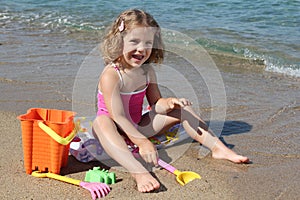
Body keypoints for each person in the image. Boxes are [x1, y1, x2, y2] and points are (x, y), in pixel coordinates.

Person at [93, 9, 249, 193]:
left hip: (137, 124)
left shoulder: (147, 71)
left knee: (183, 109)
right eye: (134, 41)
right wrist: (142, 142)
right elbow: (118, 116)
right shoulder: (112, 74)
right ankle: (139, 172)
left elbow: (155, 102)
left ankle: (218, 148)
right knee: (101, 122)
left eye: (148, 43)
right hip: (114, 129)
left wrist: (168, 103)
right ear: (120, 41)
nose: (141, 49)